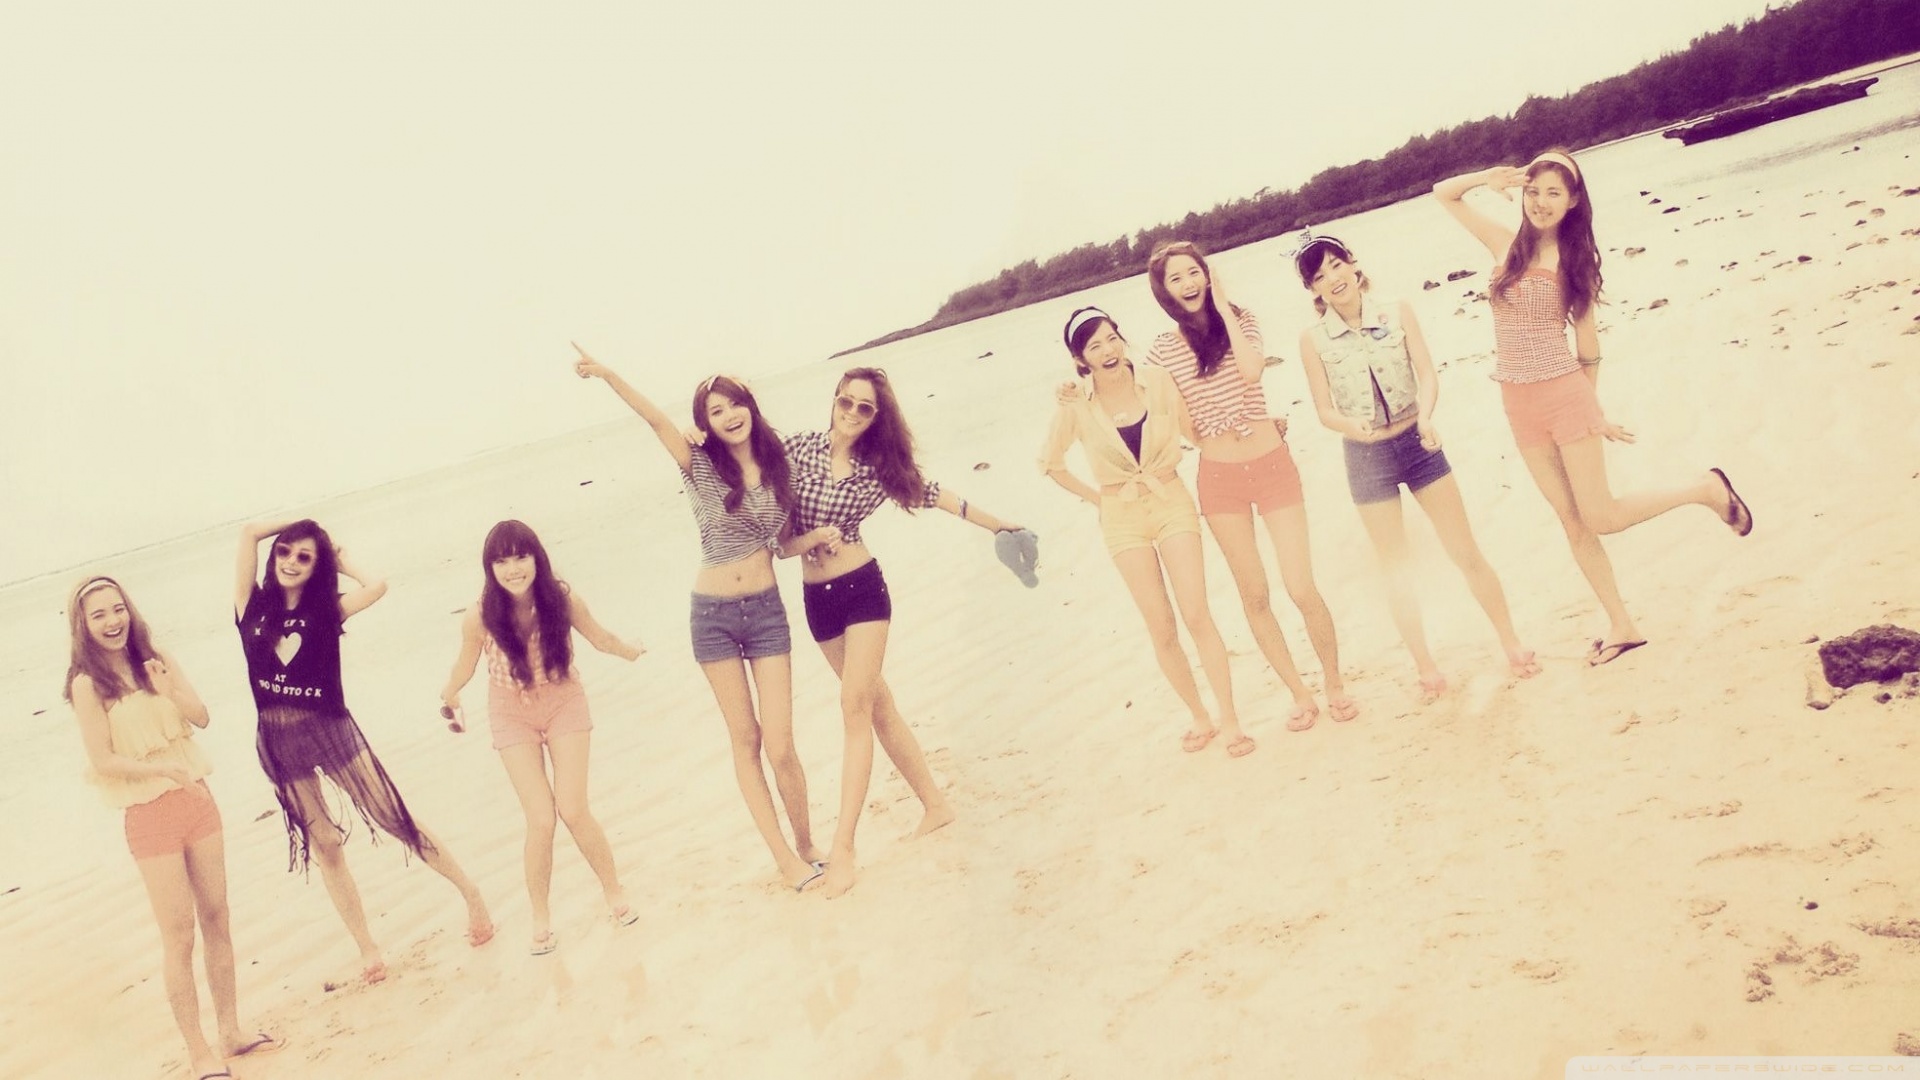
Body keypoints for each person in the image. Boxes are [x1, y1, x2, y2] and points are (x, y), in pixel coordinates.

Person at [1432, 150, 1752, 665]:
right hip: (1517, 403)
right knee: (1571, 521)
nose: (1540, 202)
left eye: (1553, 193)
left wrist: (1592, 408)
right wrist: (1486, 176)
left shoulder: (1573, 262)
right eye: (1533, 191)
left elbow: (1588, 345)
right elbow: (1443, 194)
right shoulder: (1504, 245)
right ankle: (1622, 624)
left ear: (1573, 201)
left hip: (1565, 396)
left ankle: (1704, 489)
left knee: (1601, 515)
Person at [571, 346, 828, 892]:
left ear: (750, 406)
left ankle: (807, 843)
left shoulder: (780, 467)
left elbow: (783, 546)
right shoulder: (699, 464)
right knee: (746, 741)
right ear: (705, 423)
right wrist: (609, 373)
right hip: (712, 617)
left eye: (734, 404)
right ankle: (785, 859)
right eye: (716, 410)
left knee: (781, 743)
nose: (729, 415)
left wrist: (819, 538)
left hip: (767, 614)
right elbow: (653, 419)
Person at [782, 366, 1024, 897]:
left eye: (864, 407)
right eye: (845, 401)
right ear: (834, 401)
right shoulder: (797, 450)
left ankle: (844, 847)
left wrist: (998, 524)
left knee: (854, 707)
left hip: (863, 591)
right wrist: (695, 437)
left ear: (876, 416)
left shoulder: (879, 468)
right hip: (816, 602)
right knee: (878, 704)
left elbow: (936, 495)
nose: (852, 413)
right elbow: (773, 529)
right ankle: (935, 805)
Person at [235, 519, 493, 984]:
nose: (291, 562)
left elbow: (377, 585)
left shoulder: (327, 609)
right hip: (277, 739)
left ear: (318, 566)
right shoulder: (250, 606)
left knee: (394, 817)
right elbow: (250, 532)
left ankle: (471, 894)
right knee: (327, 845)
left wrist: (340, 556)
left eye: (305, 557)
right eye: (285, 552)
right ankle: (367, 948)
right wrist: (299, 524)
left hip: (330, 727)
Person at [1292, 235, 1540, 696]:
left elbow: (1426, 372)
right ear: (1313, 290)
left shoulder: (1397, 311)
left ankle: (1511, 642)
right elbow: (1323, 410)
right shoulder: (1313, 340)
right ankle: (1426, 666)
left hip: (1418, 441)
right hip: (1366, 456)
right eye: (1320, 276)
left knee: (1464, 549)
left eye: (1337, 265)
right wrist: (1351, 425)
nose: (1333, 278)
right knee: (1396, 567)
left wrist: (1426, 417)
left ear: (1353, 264)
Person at [65, 575, 283, 1080]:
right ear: (83, 625)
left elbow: (201, 716)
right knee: (179, 936)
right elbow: (102, 760)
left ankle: (231, 1030)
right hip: (149, 815)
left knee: (217, 917)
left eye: (118, 609)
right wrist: (161, 769)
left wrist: (168, 690)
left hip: (197, 802)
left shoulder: (156, 658)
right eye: (99, 615)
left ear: (129, 609)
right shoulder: (86, 684)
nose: (112, 621)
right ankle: (199, 1051)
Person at [1133, 240, 1357, 728]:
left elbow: (1253, 370)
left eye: (1194, 272)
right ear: (1163, 291)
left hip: (1272, 465)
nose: (1188, 284)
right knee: (1254, 595)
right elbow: (1181, 423)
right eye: (1175, 278)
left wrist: (1222, 304)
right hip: (1220, 480)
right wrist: (1219, 430)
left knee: (1300, 586)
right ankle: (1300, 693)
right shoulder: (1162, 351)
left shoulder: (1243, 318)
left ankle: (1335, 682)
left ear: (1208, 274)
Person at [1040, 306, 1254, 755]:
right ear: (1080, 360)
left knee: (1196, 612)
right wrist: (1098, 500)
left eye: (1112, 338)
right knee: (1161, 626)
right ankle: (1200, 717)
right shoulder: (1075, 403)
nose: (1108, 350)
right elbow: (1050, 463)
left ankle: (1231, 719)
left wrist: (1249, 437)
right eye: (1094, 346)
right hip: (1122, 516)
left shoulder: (1157, 381)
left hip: (1170, 498)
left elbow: (1196, 432)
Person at [440, 520, 644, 954]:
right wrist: (449, 693)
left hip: (563, 702)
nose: (513, 569)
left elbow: (600, 637)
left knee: (573, 808)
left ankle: (614, 892)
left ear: (537, 558)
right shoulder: (480, 615)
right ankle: (540, 917)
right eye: (502, 561)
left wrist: (630, 650)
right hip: (510, 714)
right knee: (540, 820)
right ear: (490, 568)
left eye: (521, 557)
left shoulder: (561, 599)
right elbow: (465, 665)